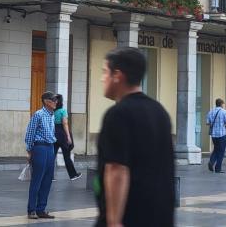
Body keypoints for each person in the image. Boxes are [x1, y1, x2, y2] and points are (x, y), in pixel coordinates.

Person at [95, 47, 175, 227]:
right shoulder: (160, 112)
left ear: (118, 75)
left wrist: (114, 221)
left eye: (105, 72)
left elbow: (117, 168)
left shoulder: (118, 114)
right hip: (159, 217)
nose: (102, 78)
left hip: (130, 216)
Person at [25, 91, 58, 220]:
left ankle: (41, 209)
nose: (56, 102)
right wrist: (29, 151)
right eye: (53, 100)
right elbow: (30, 133)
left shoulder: (52, 115)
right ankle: (31, 210)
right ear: (46, 101)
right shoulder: (38, 115)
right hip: (39, 147)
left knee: (47, 179)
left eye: (56, 100)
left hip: (50, 147)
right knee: (37, 180)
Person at [53, 94, 82, 181]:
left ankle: (50, 177)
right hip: (62, 134)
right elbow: (65, 124)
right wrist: (68, 136)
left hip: (54, 133)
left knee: (52, 156)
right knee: (66, 156)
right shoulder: (63, 111)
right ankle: (73, 175)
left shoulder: (52, 111)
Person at [206, 98, 226, 174]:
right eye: (223, 104)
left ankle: (211, 161)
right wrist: (225, 128)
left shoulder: (211, 112)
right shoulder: (224, 112)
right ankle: (218, 168)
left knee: (216, 149)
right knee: (221, 152)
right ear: (222, 104)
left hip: (214, 135)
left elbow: (207, 123)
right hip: (222, 134)